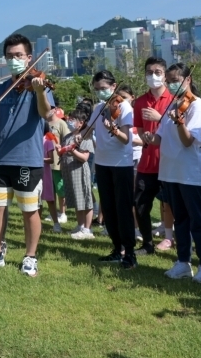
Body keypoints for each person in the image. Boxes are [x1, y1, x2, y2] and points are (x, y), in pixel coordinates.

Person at [0, 33, 53, 277]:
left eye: (18, 55)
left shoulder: (39, 85)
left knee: (29, 211)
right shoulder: (2, 88)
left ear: (29, 58)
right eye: (9, 56)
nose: (14, 60)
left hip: (28, 159)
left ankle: (30, 256)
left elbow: (46, 114)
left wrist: (38, 92)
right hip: (1, 159)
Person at [142, 64, 201, 284]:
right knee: (180, 220)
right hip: (171, 172)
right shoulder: (173, 105)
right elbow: (160, 138)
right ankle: (183, 262)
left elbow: (187, 140)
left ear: (187, 80)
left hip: (191, 173)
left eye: (174, 79)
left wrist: (179, 122)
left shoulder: (197, 106)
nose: (170, 83)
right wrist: (148, 137)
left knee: (199, 221)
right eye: (169, 80)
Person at [86, 71, 136, 267]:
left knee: (123, 209)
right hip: (102, 162)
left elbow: (126, 140)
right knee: (108, 208)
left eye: (104, 89)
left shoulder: (124, 107)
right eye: (97, 89)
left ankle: (130, 253)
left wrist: (113, 129)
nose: (100, 92)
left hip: (121, 163)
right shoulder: (99, 107)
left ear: (113, 87)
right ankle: (117, 248)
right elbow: (88, 130)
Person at [133, 57, 176, 254]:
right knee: (140, 204)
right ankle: (147, 243)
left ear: (165, 75)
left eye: (157, 72)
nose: (153, 76)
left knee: (174, 205)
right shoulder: (140, 101)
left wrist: (160, 119)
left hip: (169, 161)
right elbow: (140, 129)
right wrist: (145, 136)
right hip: (147, 161)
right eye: (149, 72)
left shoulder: (174, 99)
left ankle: (174, 240)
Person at [61, 108, 95, 240]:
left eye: (73, 120)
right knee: (76, 199)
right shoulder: (68, 137)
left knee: (85, 200)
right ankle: (80, 225)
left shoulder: (85, 137)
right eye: (69, 119)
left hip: (79, 171)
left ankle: (87, 228)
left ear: (81, 123)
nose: (70, 121)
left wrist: (72, 151)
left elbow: (85, 157)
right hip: (69, 172)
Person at [47, 106, 70, 224]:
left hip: (58, 162)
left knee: (60, 189)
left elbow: (67, 140)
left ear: (55, 109)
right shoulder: (43, 122)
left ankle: (63, 213)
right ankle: (53, 212)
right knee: (50, 190)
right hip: (46, 162)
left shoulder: (61, 123)